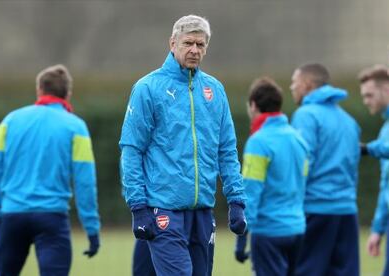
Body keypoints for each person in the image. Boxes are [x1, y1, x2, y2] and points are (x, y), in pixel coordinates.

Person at [119, 15, 246, 276]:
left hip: (202, 211)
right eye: (188, 43)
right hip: (163, 209)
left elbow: (226, 150)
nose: (194, 50)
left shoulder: (215, 90)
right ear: (172, 43)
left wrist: (236, 200)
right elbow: (132, 150)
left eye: (200, 45)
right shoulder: (148, 88)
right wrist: (138, 207)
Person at [0, 64, 101, 275]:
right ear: (68, 93)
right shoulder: (76, 127)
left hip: (12, 215)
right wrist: (92, 229)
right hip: (52, 218)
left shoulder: (10, 121)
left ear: (39, 89)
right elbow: (85, 182)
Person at [290, 63, 361, 276]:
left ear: (307, 85)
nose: (291, 87)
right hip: (347, 210)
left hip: (315, 209)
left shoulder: (306, 115)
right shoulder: (349, 120)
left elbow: (302, 162)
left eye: (295, 83)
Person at [234, 76, 309, 275]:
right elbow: (303, 184)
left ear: (253, 105)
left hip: (269, 232)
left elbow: (251, 191)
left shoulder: (258, 142)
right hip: (297, 228)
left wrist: (241, 239)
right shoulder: (298, 139)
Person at [358, 65, 389, 276]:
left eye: (369, 95)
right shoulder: (386, 129)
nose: (366, 101)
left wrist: (368, 148)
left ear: (385, 90)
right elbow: (387, 184)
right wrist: (377, 229)